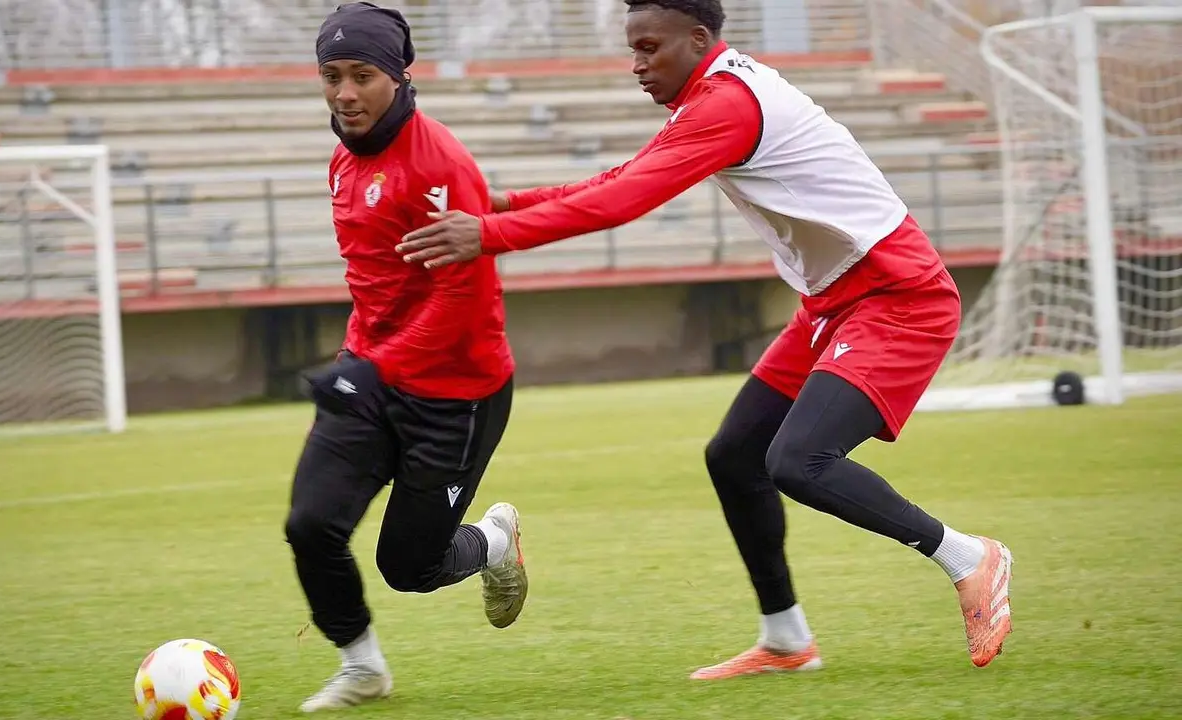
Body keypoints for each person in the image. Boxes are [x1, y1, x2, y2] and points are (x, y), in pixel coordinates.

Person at [395, 0, 1013, 678]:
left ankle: (968, 556)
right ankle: (787, 641)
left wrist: (488, 234)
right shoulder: (711, 97)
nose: (637, 64)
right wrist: (507, 202)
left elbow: (623, 202)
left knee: (798, 461)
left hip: (898, 297)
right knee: (735, 456)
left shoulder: (726, 105)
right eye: (633, 48)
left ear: (697, 39)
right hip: (834, 302)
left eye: (649, 47)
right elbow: (617, 181)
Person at [283, 3, 528, 711]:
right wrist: (363, 361)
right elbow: (374, 282)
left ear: (399, 75)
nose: (344, 93)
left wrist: (373, 368)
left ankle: (493, 542)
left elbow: (462, 298)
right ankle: (362, 668)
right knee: (310, 525)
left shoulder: (440, 164)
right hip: (372, 377)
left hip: (457, 393)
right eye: (331, 75)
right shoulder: (342, 158)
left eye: (362, 75)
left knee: (409, 568)